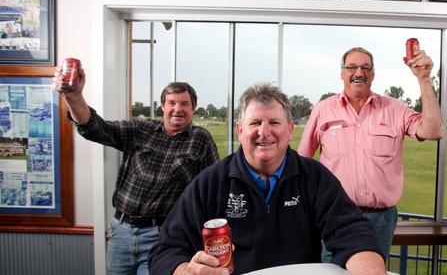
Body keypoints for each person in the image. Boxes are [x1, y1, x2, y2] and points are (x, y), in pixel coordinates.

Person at [148, 83, 386, 275]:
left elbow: (353, 234)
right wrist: (184, 271)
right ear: (240, 130)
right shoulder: (211, 182)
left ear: (290, 129)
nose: (264, 132)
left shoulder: (315, 177)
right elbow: (165, 251)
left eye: (274, 122)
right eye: (255, 123)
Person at [53, 67, 219, 275]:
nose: (178, 109)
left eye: (184, 103)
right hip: (121, 233)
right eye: (172, 103)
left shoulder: (200, 139)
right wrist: (74, 96)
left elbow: (213, 190)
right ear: (163, 106)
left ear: (193, 108)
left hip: (163, 236)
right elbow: (96, 128)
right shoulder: (142, 129)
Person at [298, 47, 444, 260]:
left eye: (366, 67)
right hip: (333, 215)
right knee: (330, 272)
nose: (359, 72)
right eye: (352, 67)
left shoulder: (395, 109)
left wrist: (424, 79)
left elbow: (433, 130)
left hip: (380, 219)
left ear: (373, 75)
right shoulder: (322, 110)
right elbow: (302, 163)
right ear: (342, 73)